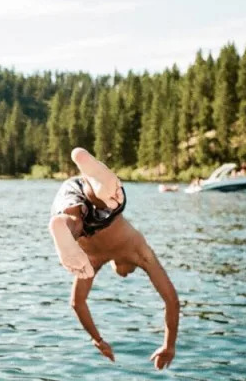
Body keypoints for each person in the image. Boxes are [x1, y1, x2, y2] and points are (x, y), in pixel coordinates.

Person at [48, 147, 180, 370]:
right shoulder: (140, 251)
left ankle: (94, 188)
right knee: (105, 207)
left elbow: (77, 302)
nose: (123, 275)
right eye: (127, 274)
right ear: (130, 266)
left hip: (72, 197)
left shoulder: (96, 259)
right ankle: (97, 188)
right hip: (90, 213)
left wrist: (98, 339)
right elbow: (171, 301)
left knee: (85, 215)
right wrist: (169, 345)